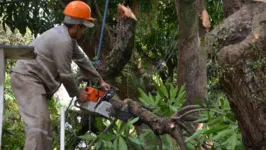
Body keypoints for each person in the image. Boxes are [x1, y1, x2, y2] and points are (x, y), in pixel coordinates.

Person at [10, 1, 110, 149]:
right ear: (77, 26)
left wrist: (100, 81)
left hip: (35, 82)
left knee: (45, 128)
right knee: (38, 125)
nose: (83, 32)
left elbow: (82, 61)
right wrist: (78, 94)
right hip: (28, 79)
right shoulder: (63, 41)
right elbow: (66, 75)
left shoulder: (67, 38)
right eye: (83, 28)